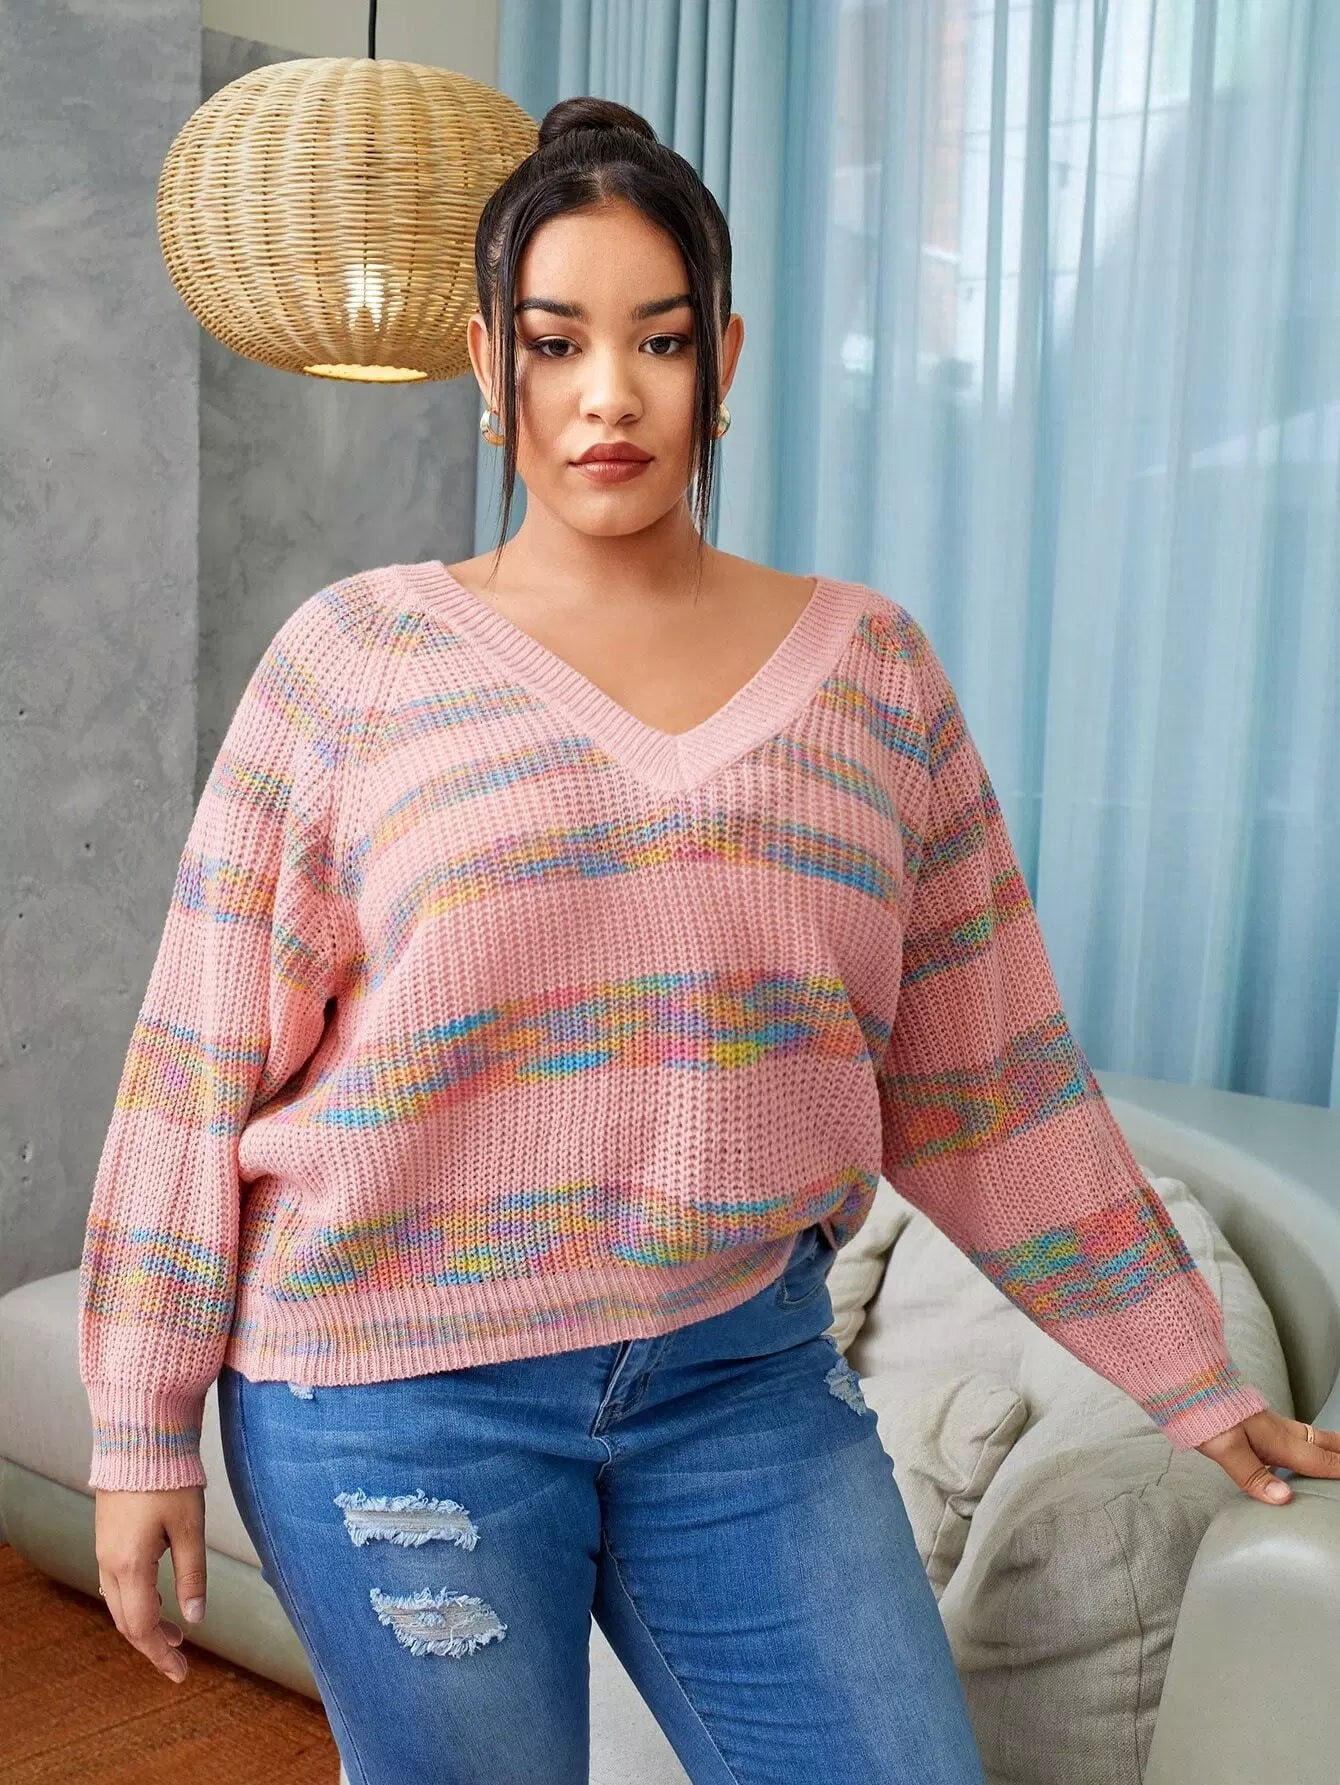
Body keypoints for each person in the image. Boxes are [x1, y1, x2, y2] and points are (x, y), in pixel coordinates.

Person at [80, 94, 1340, 1785]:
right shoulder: (353, 662)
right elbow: (195, 1059)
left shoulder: (871, 675)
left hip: (741, 1384)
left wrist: (1190, 1371)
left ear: (723, 359)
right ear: (489, 362)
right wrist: (140, 1422)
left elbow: (991, 1080)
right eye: (557, 342)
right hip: (391, 1393)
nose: (609, 393)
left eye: (659, 340)